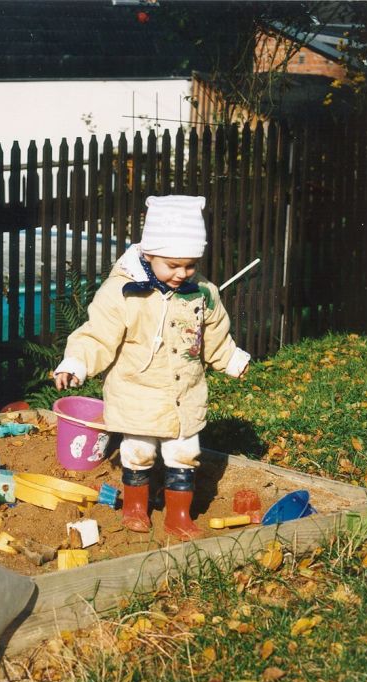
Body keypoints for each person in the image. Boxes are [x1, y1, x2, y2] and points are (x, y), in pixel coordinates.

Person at [54, 195, 250, 539]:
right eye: (172, 265)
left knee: (185, 452)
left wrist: (230, 358)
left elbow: (215, 332)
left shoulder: (202, 292)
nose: (182, 273)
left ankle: (178, 515)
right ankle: (134, 507)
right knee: (138, 450)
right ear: (148, 254)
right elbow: (97, 334)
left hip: (183, 395)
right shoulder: (123, 293)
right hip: (137, 394)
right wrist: (76, 362)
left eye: (190, 265)